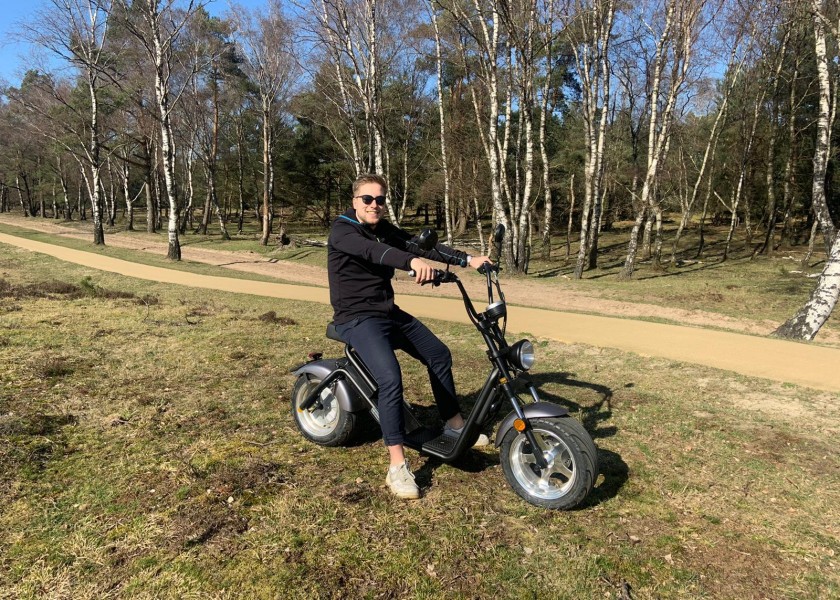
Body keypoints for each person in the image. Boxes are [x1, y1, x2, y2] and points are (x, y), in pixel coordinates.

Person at [327, 173, 492, 499]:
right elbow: (375, 252)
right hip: (356, 317)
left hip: (386, 312)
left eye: (380, 200)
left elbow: (417, 245)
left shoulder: (383, 228)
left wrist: (468, 260)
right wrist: (411, 262)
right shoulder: (343, 230)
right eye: (367, 199)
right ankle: (397, 466)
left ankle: (454, 425)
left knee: (438, 354)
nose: (374, 205)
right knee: (390, 378)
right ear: (355, 201)